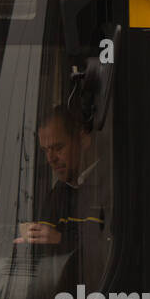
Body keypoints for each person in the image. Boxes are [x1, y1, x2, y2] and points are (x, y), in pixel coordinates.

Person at [15, 105, 110, 287]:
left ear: (83, 139)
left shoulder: (112, 185)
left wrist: (59, 239)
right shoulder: (58, 193)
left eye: (58, 147)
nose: (50, 158)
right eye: (45, 150)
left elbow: (111, 253)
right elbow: (42, 251)